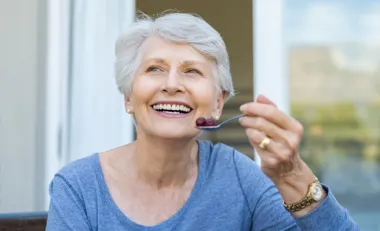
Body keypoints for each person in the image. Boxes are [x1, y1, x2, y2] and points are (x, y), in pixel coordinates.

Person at [46, 12, 359, 230]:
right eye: (154, 68)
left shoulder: (240, 178)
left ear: (219, 103)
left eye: (191, 71)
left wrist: (292, 176)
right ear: (128, 97)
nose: (171, 84)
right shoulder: (78, 188)